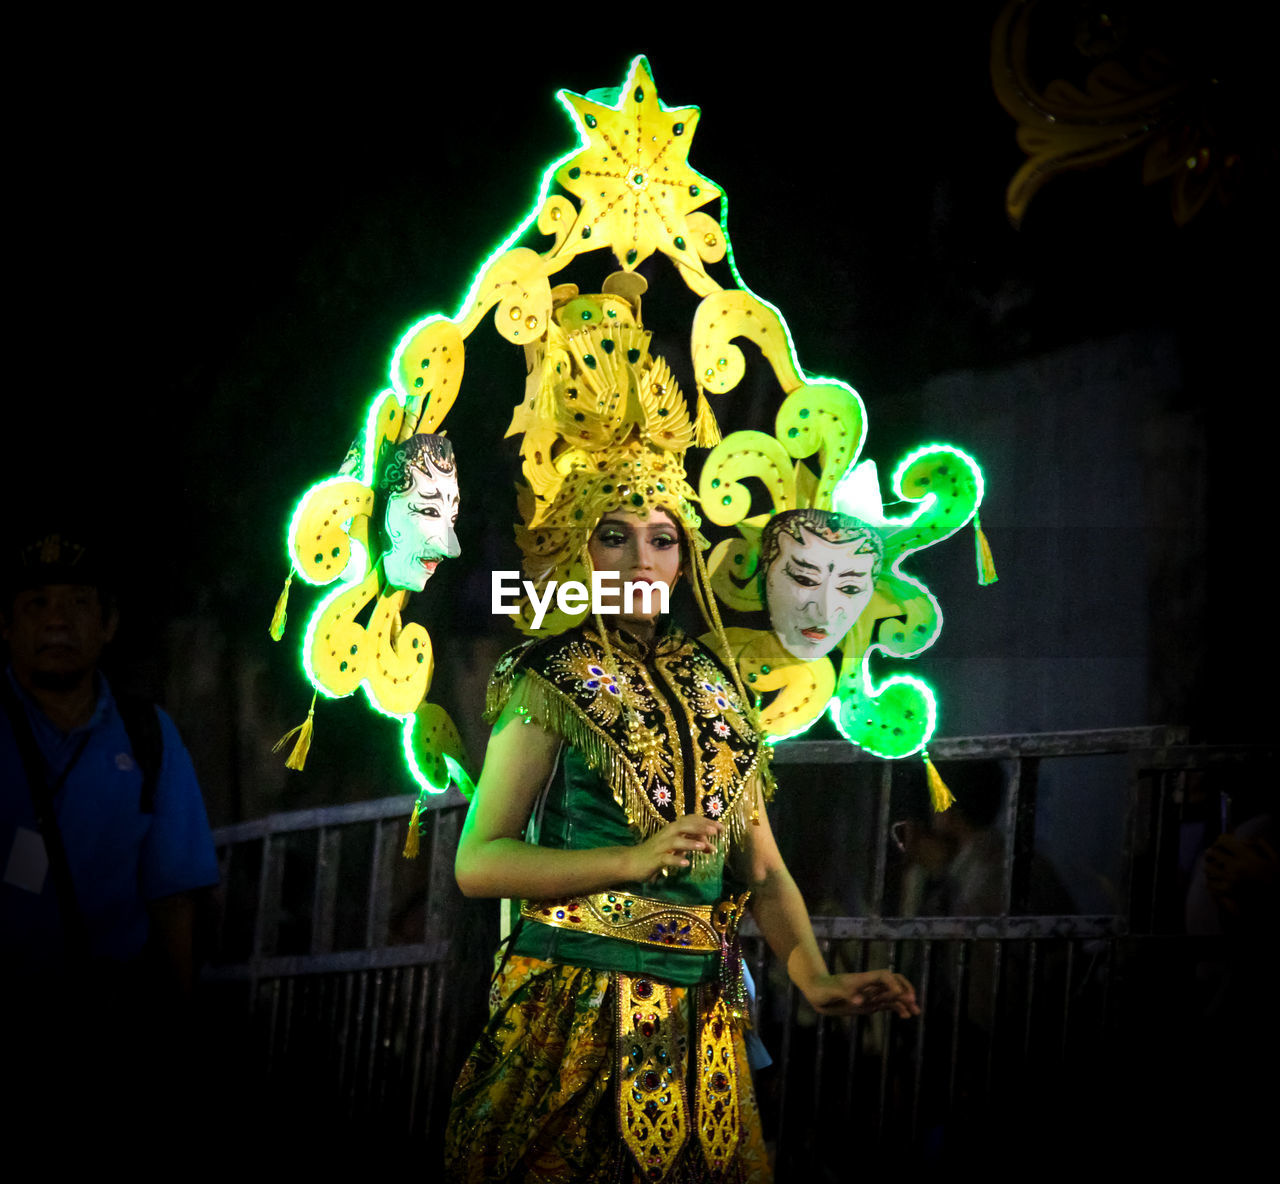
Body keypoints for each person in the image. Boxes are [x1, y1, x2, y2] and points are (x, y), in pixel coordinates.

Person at [445, 501, 918, 1182]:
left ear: (684, 558)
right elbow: (478, 860)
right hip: (578, 996)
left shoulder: (717, 686)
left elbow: (762, 869)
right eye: (615, 537)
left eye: (662, 540)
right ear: (581, 555)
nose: (642, 559)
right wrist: (629, 860)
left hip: (702, 1010)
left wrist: (816, 977)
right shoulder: (550, 676)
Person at [1, 530, 218, 998]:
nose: (57, 621)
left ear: (108, 625)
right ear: (6, 625)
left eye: (78, 603)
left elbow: (174, 900)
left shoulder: (148, 734)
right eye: (37, 603)